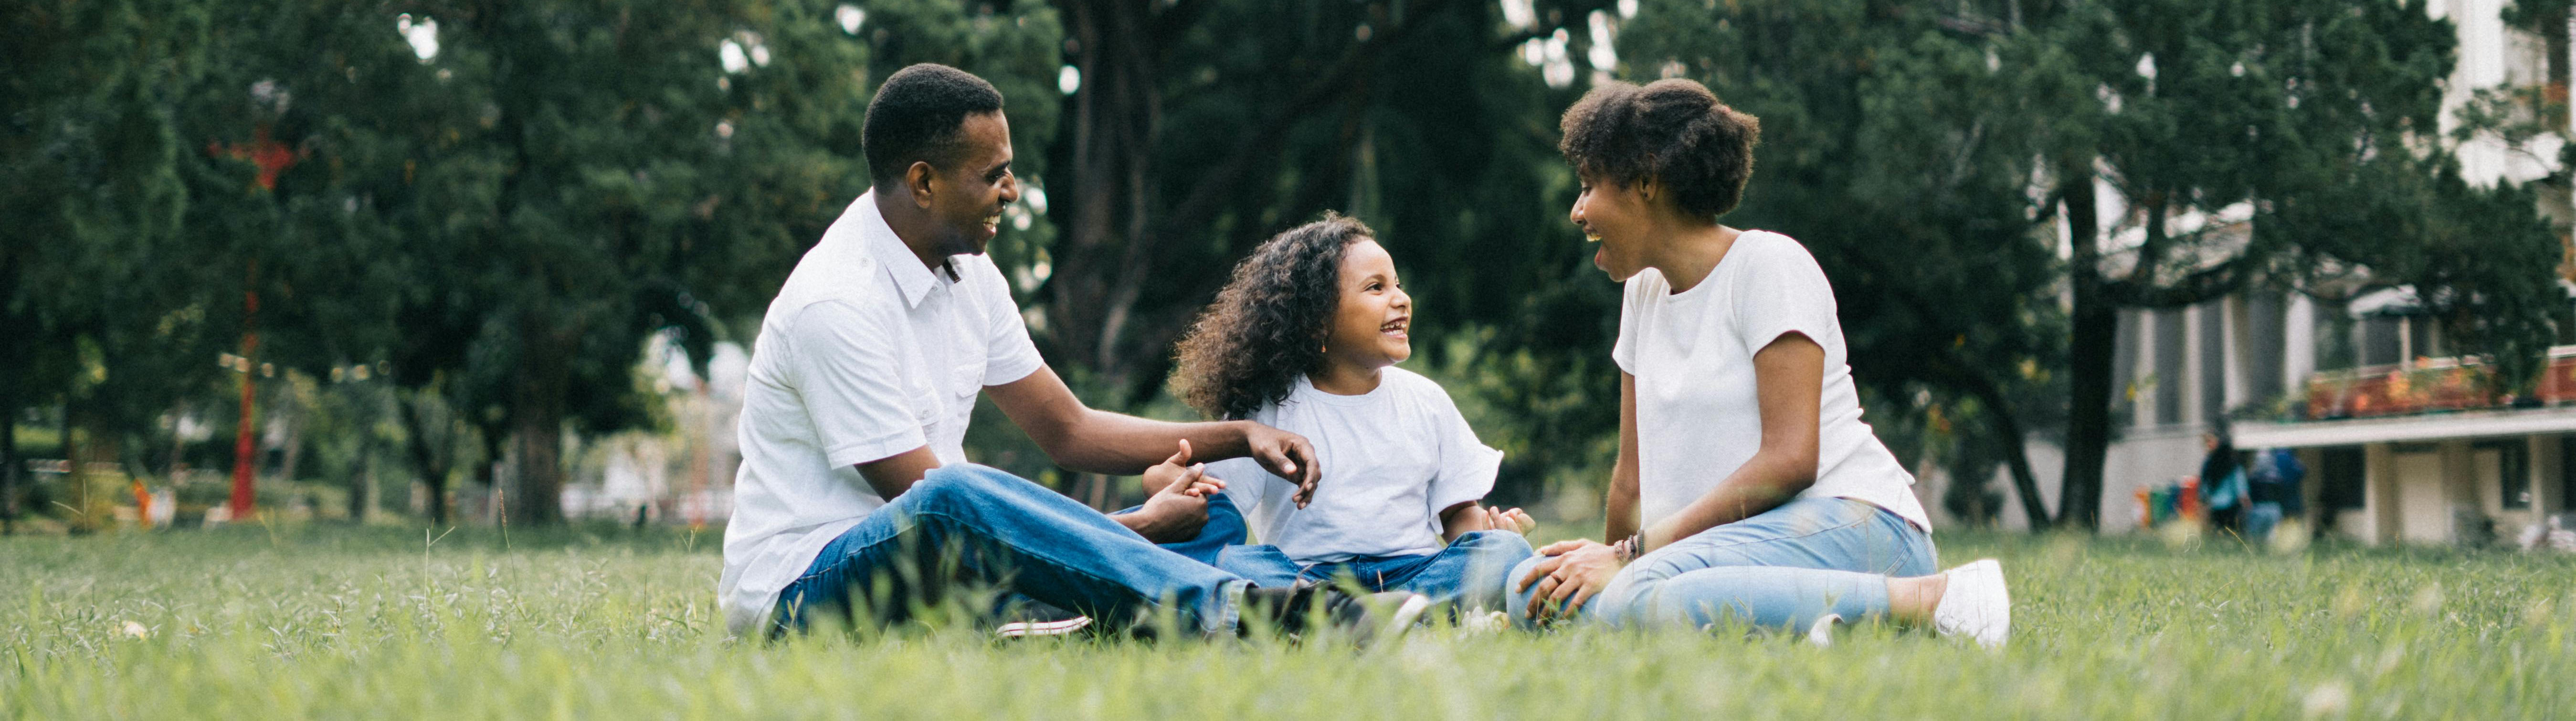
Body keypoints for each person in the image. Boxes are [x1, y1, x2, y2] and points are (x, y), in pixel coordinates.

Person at [718, 64, 1427, 643]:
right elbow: (934, 512)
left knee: (1204, 519)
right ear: (923, 182)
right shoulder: (836, 303)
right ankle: (1252, 609)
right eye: (991, 173)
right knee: (950, 492)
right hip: (803, 590)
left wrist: (1240, 437)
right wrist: (1130, 529)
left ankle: (1079, 618)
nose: (1013, 190)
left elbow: (1069, 430)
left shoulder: (970, 274)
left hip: (936, 570)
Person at [1503, 78, 2010, 647]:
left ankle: (1936, 599)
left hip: (1852, 524)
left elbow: (1790, 460)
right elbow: (1630, 480)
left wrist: (1629, 559)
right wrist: (1600, 567)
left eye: (1587, 185)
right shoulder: (1642, 294)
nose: (1577, 211)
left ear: (1645, 181)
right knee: (1531, 593)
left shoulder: (1769, 266)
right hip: (1723, 548)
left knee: (1642, 594)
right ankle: (1808, 624)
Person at [1163, 213, 1538, 614]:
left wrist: (1483, 536)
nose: (1400, 299)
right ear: (1316, 322)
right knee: (1234, 562)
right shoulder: (1267, 409)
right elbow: (1220, 508)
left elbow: (1457, 511)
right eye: (1376, 288)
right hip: (1307, 580)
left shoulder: (1426, 400)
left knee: (1505, 551)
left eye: (1398, 285)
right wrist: (1172, 482)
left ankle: (1378, 615)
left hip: (1413, 571)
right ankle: (1355, 614)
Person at [2245, 447, 2304, 543]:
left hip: (2264, 508)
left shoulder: (2254, 476)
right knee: (2269, 537)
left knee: (2258, 537)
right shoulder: (2276, 476)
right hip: (2269, 508)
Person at [2198, 430, 2247, 533]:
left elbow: (2205, 486)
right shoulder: (2230, 462)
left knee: (2221, 534)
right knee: (2231, 534)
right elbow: (2240, 483)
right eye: (2207, 443)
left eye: (2210, 442)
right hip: (2226, 505)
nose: (2209, 445)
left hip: (2222, 505)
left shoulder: (2210, 464)